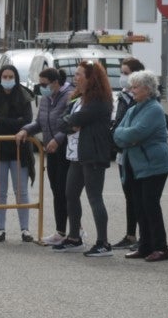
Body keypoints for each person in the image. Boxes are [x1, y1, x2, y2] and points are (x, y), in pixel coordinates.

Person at [111, 70, 168, 261]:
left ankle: (161, 247)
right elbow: (118, 132)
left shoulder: (154, 109)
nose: (132, 90)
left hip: (153, 164)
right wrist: (126, 137)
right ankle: (145, 245)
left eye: (136, 87)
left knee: (150, 205)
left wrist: (127, 137)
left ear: (147, 89)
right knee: (139, 205)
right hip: (136, 164)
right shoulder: (133, 108)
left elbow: (135, 133)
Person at [56, 60, 116, 256]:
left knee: (94, 197)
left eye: (79, 74)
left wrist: (72, 123)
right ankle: (74, 237)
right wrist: (71, 123)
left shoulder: (100, 100)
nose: (76, 78)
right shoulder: (77, 98)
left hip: (93, 154)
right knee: (70, 194)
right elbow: (63, 121)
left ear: (91, 78)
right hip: (75, 154)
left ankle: (103, 243)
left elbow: (76, 120)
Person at [17, 68, 74, 246]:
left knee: (68, 192)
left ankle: (74, 230)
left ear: (55, 82)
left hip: (66, 150)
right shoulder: (45, 99)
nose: (41, 88)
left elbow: (70, 123)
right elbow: (39, 122)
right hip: (51, 152)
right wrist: (25, 129)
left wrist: (58, 139)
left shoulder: (69, 96)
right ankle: (60, 231)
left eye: (44, 84)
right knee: (57, 190)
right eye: (39, 84)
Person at [0, 62, 35, 242]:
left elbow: (27, 121)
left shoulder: (24, 97)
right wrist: (14, 122)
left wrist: (2, 121)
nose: (7, 80)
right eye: (4, 77)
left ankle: (25, 229)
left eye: (10, 77)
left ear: (16, 78)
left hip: (20, 152)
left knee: (21, 192)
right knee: (0, 192)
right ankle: (0, 229)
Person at [111, 56, 146, 248]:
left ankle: (143, 236)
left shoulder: (140, 98)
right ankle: (130, 235)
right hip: (122, 153)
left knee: (137, 196)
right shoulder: (123, 95)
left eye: (127, 73)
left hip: (133, 152)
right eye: (122, 73)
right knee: (129, 196)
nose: (123, 78)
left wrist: (119, 135)